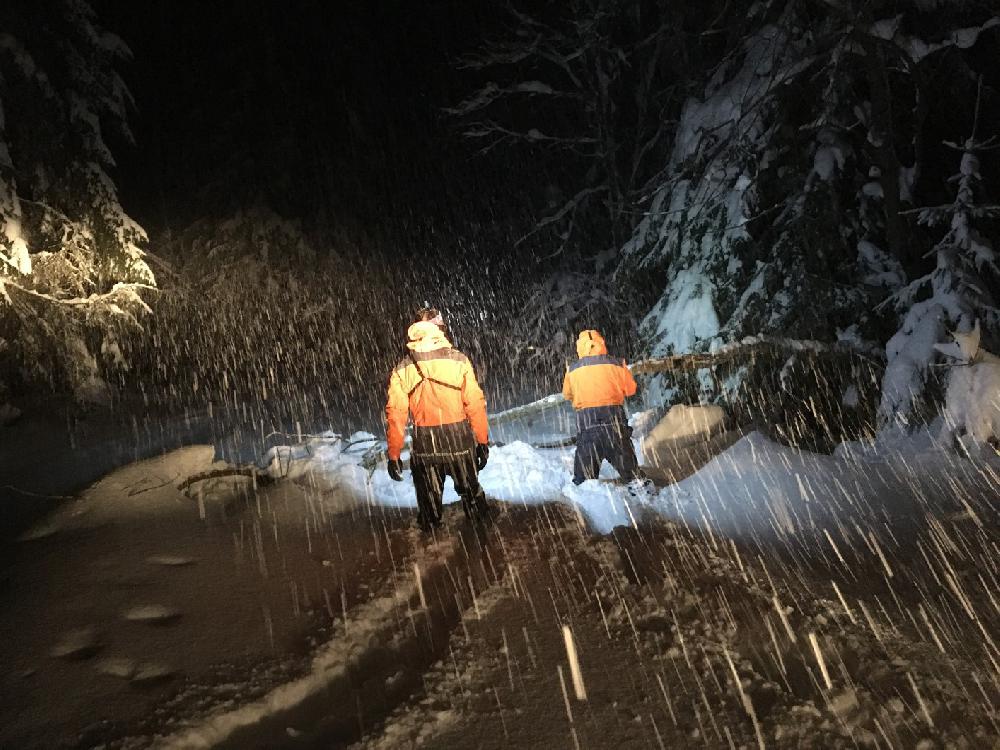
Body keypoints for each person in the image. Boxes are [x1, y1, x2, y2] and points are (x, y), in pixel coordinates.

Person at [384, 307, 491, 530]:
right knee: (473, 499)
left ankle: (431, 540)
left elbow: (396, 414)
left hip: (425, 445)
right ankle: (484, 540)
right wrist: (482, 441)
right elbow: (475, 404)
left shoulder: (403, 368)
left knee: (429, 510)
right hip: (459, 441)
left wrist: (394, 454)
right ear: (439, 329)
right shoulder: (459, 360)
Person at [562, 329, 643, 486]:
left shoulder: (573, 369)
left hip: (587, 423)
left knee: (584, 481)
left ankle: (586, 494)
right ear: (602, 343)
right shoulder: (617, 364)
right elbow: (631, 389)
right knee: (632, 473)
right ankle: (640, 489)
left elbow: (567, 394)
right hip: (614, 421)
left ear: (580, 347)